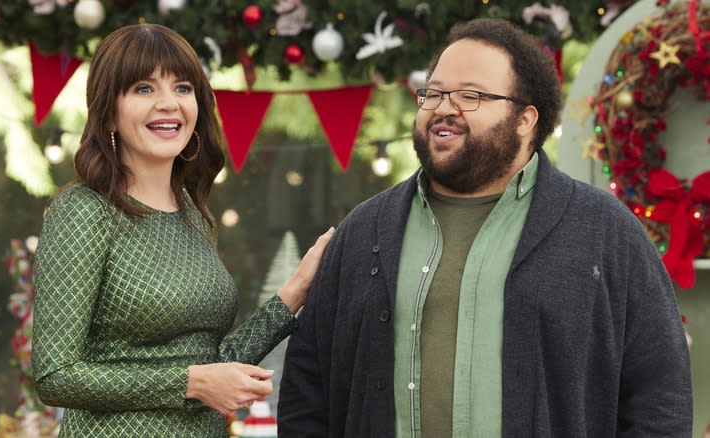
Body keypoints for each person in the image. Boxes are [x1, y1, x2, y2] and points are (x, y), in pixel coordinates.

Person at [278, 17, 692, 438]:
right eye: (433, 93)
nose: (443, 108)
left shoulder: (605, 232)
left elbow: (660, 399)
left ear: (525, 119)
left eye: (470, 95)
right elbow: (305, 391)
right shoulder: (364, 231)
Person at [31, 23, 333, 437]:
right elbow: (56, 375)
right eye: (143, 88)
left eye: (182, 87)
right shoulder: (84, 211)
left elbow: (210, 365)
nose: (168, 104)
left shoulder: (191, 211)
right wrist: (190, 383)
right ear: (109, 111)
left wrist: (295, 291)